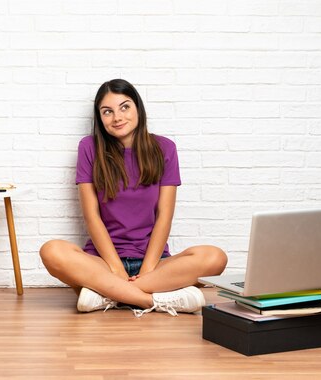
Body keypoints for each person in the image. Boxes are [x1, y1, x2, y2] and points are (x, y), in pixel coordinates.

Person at [39, 79, 227, 317]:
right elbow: (91, 216)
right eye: (107, 112)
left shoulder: (165, 148)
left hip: (155, 264)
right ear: (100, 118)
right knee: (52, 251)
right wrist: (116, 268)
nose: (117, 117)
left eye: (124, 107)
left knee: (215, 258)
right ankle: (153, 301)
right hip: (103, 263)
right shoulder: (89, 147)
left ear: (138, 108)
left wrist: (148, 269)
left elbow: (164, 217)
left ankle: (107, 296)